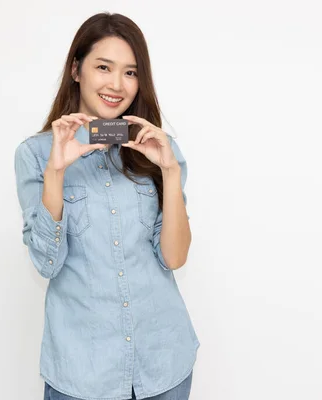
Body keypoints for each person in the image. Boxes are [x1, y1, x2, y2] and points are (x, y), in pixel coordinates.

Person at [13, 12, 200, 400]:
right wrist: (56, 173)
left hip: (163, 365)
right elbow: (47, 263)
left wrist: (169, 171)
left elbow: (174, 257)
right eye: (104, 67)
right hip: (83, 375)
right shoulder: (35, 156)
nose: (117, 85)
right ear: (76, 69)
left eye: (131, 72)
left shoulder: (160, 151)